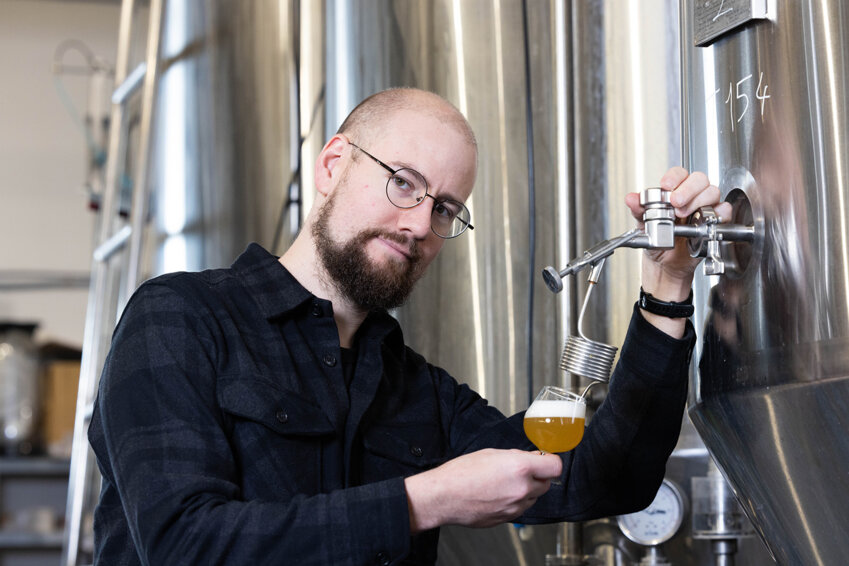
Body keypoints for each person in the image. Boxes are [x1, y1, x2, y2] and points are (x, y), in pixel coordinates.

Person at [88, 87, 731, 565]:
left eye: (446, 208)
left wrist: (667, 287)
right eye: (403, 183)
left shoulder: (416, 388)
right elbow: (182, 545)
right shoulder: (178, 318)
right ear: (334, 164)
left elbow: (602, 476)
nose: (421, 225)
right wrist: (423, 500)